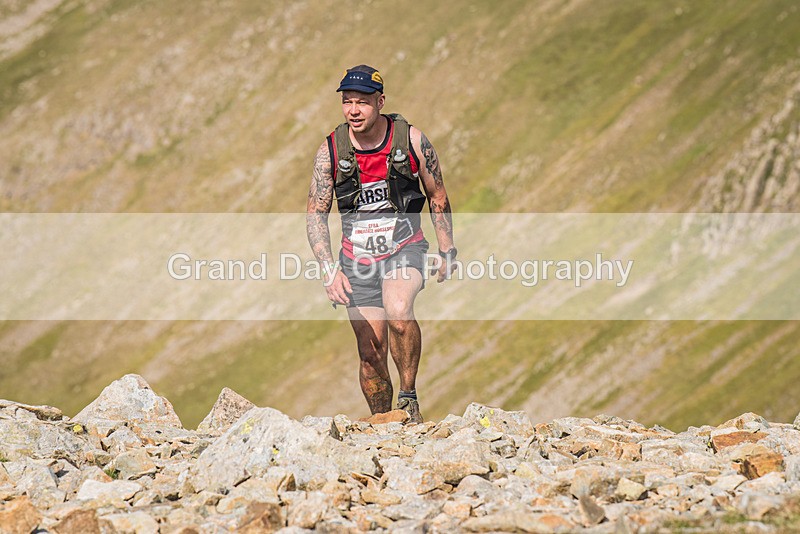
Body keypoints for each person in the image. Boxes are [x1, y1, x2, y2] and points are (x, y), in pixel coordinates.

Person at [306, 65, 456, 423]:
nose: (353, 110)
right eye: (347, 102)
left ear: (380, 102)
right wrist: (329, 271)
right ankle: (384, 425)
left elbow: (437, 196)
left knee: (399, 310)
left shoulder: (412, 141)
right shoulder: (331, 151)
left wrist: (447, 249)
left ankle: (408, 399)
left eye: (362, 102)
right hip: (355, 261)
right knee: (370, 350)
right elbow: (315, 214)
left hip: (405, 248)